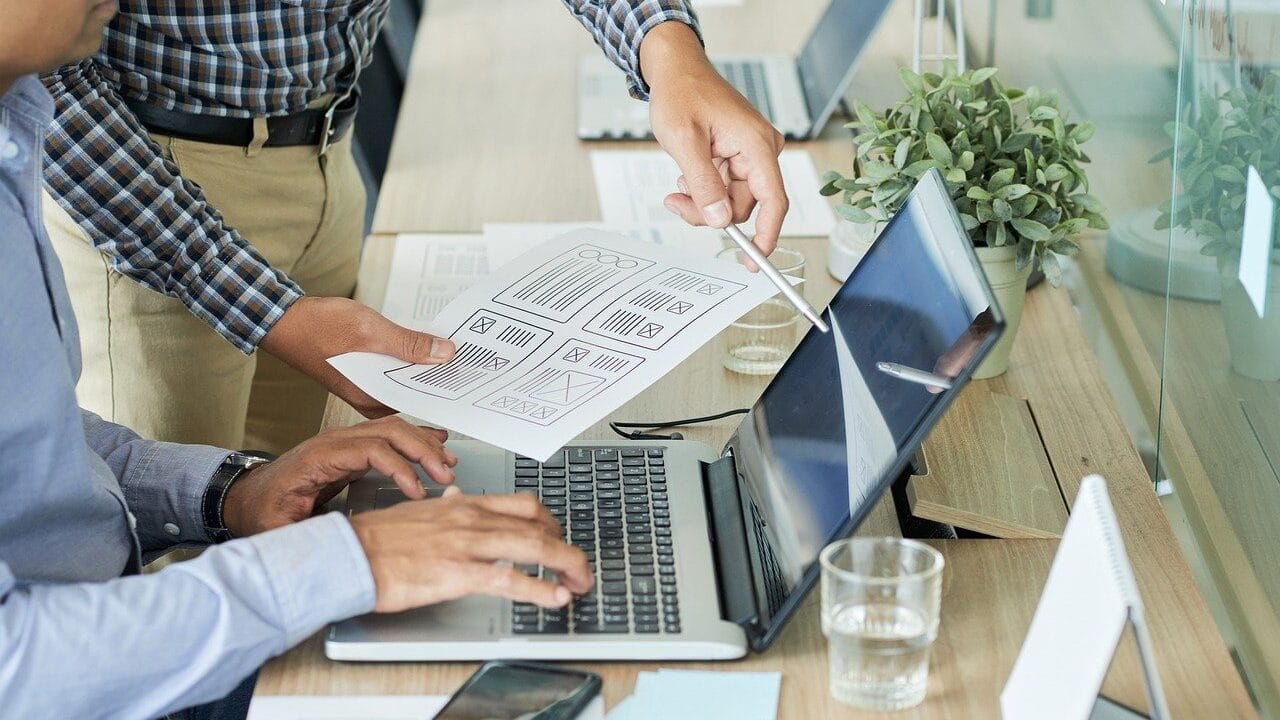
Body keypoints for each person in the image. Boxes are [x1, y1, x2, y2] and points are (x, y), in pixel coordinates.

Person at [0, 2, 593, 716]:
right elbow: (18, 668)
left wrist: (228, 493)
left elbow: (44, 456)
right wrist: (351, 563)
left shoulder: (11, 151)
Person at [40, 0, 790, 456]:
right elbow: (46, 86)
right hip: (148, 198)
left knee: (302, 511)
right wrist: (274, 313)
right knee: (182, 558)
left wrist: (670, 53)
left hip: (328, 154)